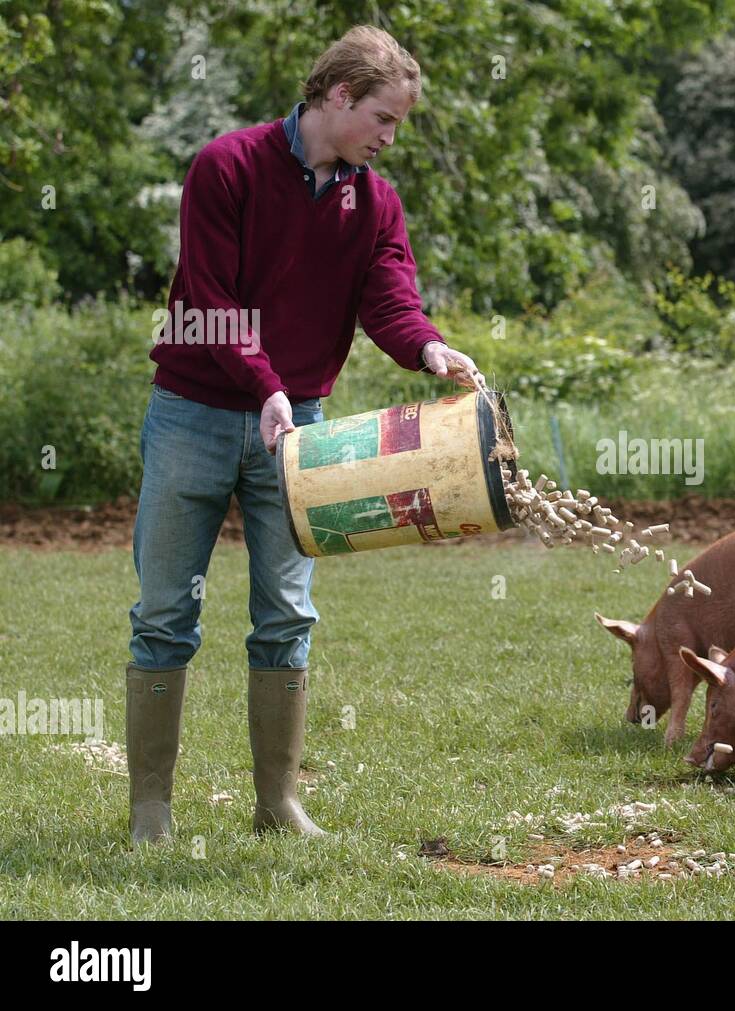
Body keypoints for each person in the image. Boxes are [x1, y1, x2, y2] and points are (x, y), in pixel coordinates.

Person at [125, 25, 479, 845]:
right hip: (193, 411)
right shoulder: (228, 166)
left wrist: (428, 346)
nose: (391, 139)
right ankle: (152, 811)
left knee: (287, 611)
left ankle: (277, 806)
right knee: (164, 611)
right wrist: (267, 387)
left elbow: (388, 298)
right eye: (384, 119)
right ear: (339, 95)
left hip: (298, 430)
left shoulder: (374, 201)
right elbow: (211, 302)